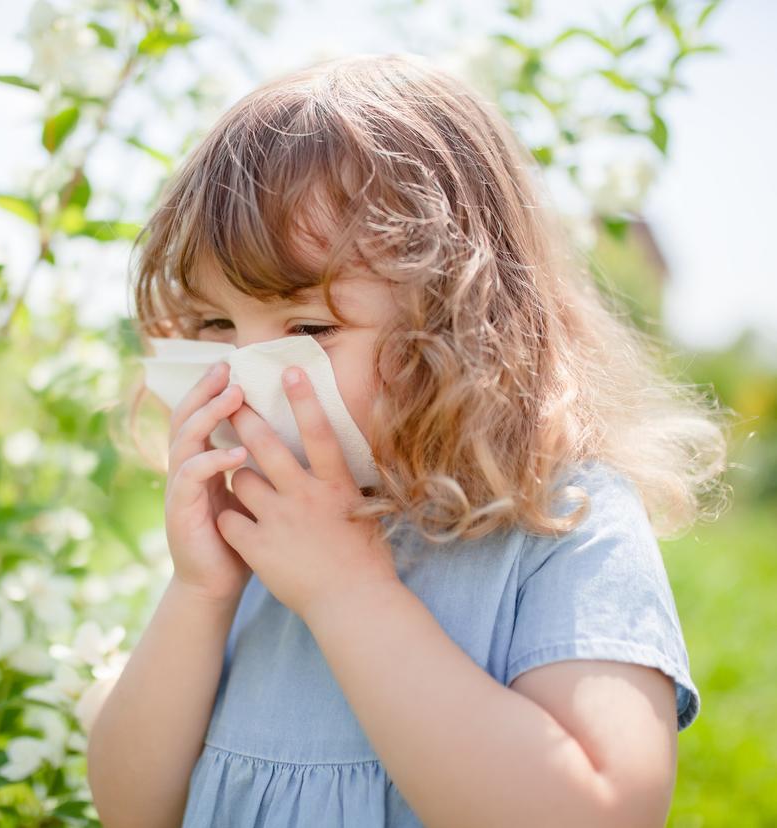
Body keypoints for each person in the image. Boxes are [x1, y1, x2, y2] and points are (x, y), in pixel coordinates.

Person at [86, 52, 727, 828]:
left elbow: (600, 811)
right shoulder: (257, 539)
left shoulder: (563, 523)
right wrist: (201, 593)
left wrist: (349, 592)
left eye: (310, 328)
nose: (246, 375)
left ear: (462, 321)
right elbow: (130, 809)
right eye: (214, 326)